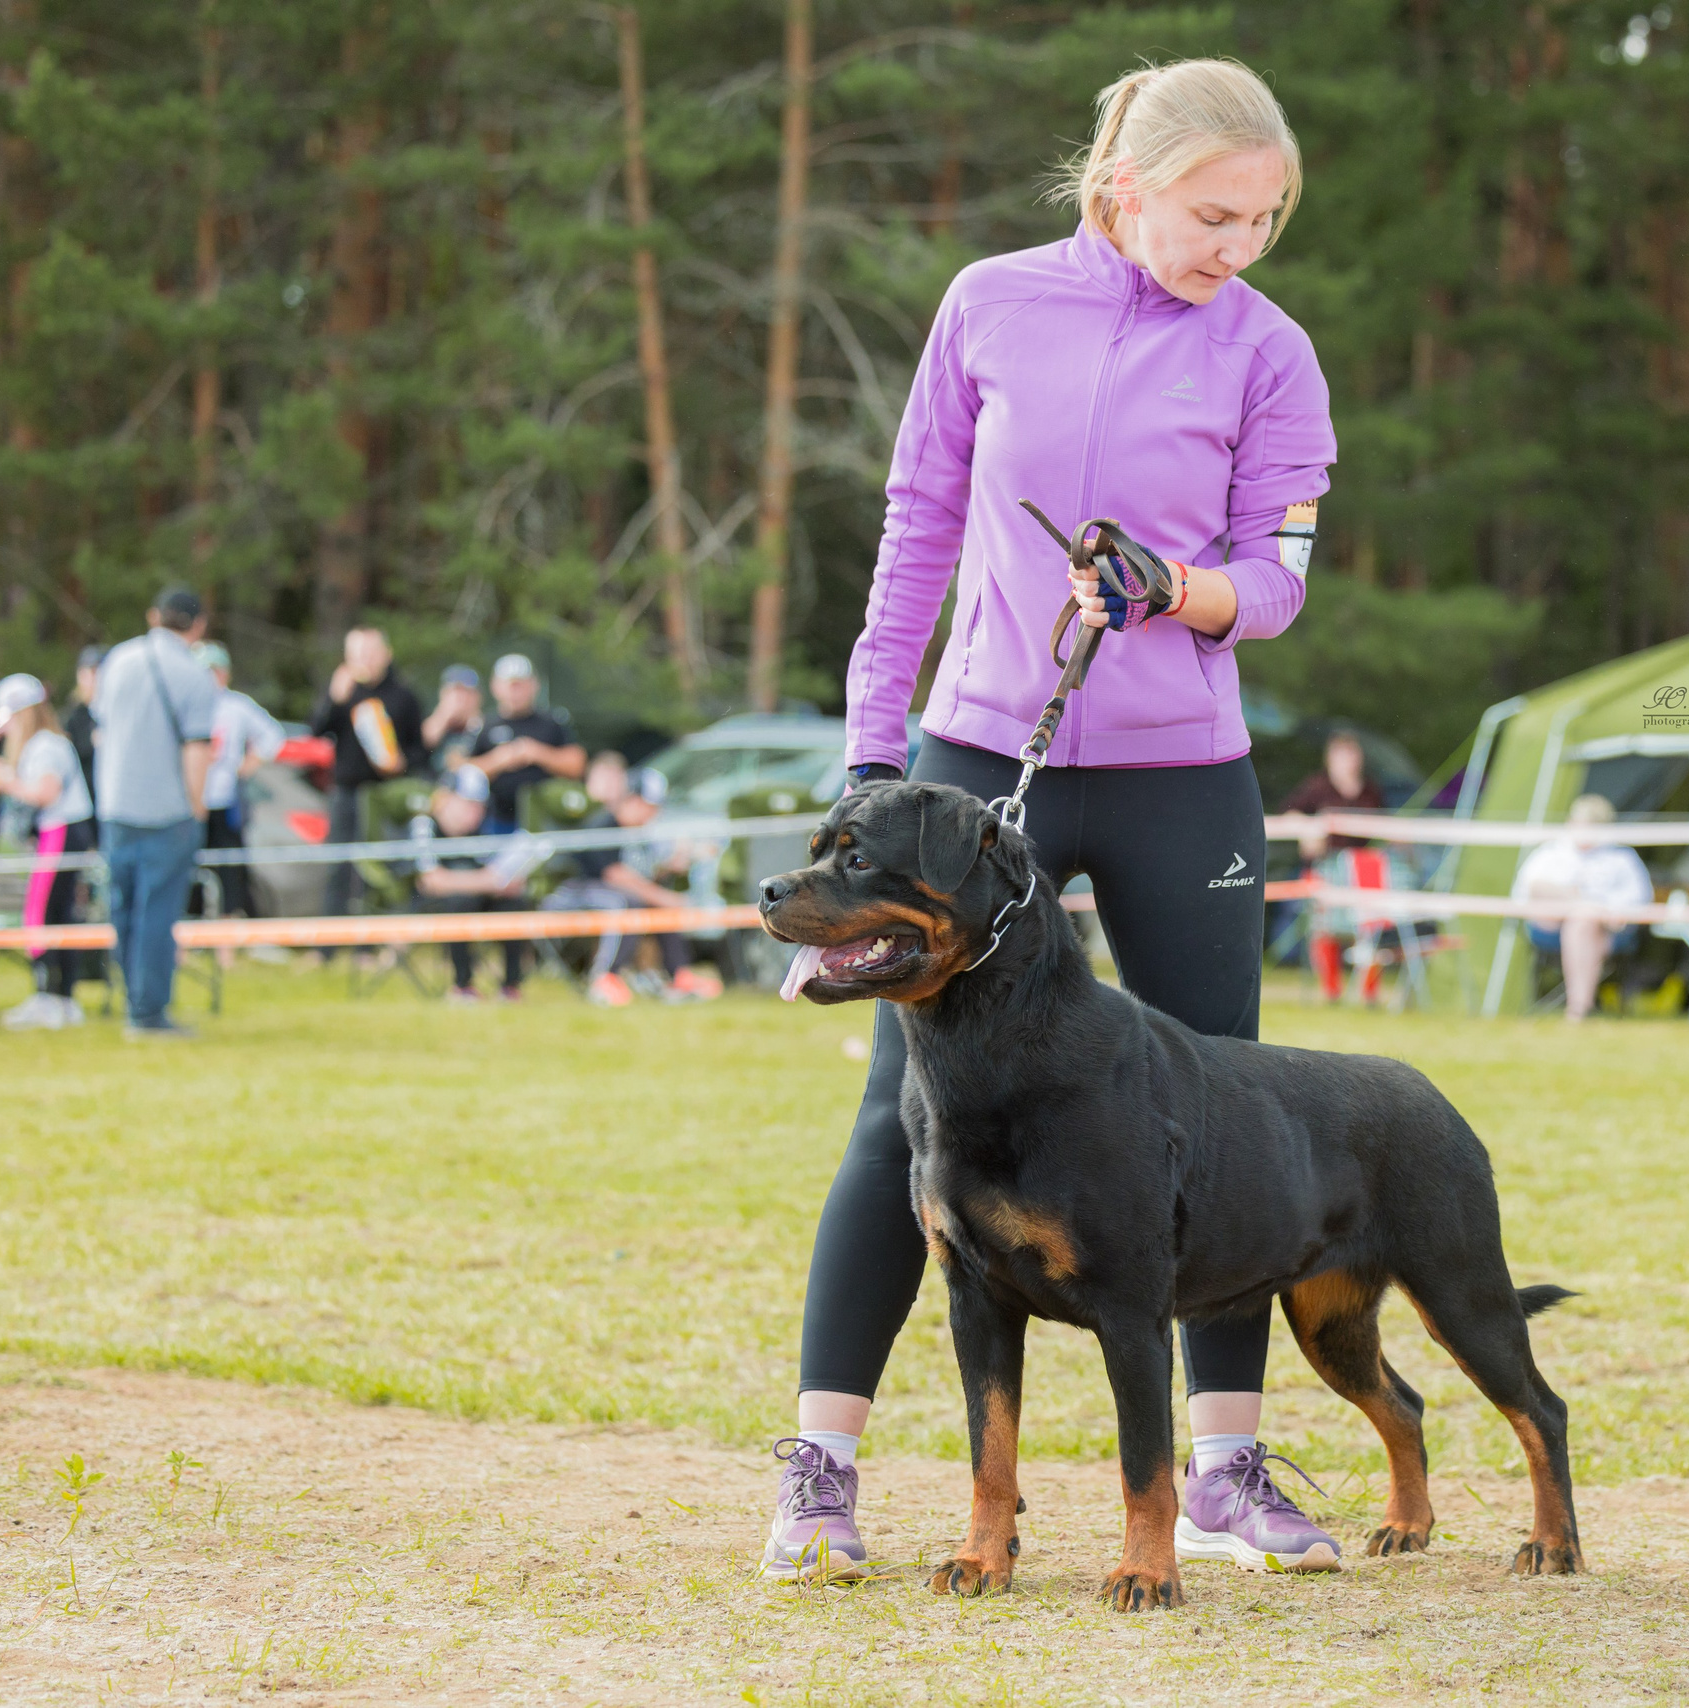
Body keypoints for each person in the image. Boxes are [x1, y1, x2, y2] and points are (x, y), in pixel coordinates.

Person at [767, 59, 1341, 1583]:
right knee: (897, 1115)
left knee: (1220, 1106)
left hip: (1182, 775)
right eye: (1214, 215)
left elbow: (1276, 583)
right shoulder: (991, 303)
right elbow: (917, 530)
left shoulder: (1271, 354)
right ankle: (821, 1473)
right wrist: (872, 751)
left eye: (1265, 221)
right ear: (1126, 187)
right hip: (975, 757)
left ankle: (1224, 1473)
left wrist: (1176, 589)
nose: (1238, 247)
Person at [91, 585, 219, 1039]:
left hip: (115, 805)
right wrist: (198, 807)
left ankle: (131, 998)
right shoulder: (195, 675)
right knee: (157, 912)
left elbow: (101, 728)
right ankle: (148, 1010)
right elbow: (196, 751)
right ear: (198, 626)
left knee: (123, 909)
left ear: (154, 617)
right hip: (167, 811)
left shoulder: (118, 661)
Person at [0, 674, 96, 1028]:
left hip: (60, 831)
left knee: (43, 913)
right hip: (58, 832)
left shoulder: (46, 746)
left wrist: (2, 782)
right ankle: (58, 997)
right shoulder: (44, 744)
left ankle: (51, 998)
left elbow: (45, 794)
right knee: (57, 913)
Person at [538, 765, 715, 1006]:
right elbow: (616, 876)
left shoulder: (640, 833)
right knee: (628, 902)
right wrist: (664, 897)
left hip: (608, 892)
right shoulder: (605, 826)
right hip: (574, 891)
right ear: (632, 800)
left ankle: (679, 976)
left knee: (656, 905)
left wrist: (670, 866)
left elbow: (641, 874)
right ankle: (605, 977)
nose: (655, 813)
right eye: (651, 806)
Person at [309, 626, 426, 928]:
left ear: (387, 654)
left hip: (385, 794)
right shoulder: (344, 693)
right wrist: (334, 700)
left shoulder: (403, 696)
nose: (366, 660)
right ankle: (329, 941)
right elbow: (317, 731)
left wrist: (402, 763)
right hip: (346, 791)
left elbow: (421, 751)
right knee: (338, 865)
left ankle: (370, 941)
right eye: (358, 653)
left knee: (377, 867)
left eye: (371, 652)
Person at [1512, 794, 1653, 1021]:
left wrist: (1591, 907)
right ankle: (1580, 1007)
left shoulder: (1621, 858)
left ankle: (1577, 1008)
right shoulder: (1551, 851)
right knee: (1577, 916)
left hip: (1604, 928)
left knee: (1583, 921)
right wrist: (1572, 899)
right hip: (1549, 926)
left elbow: (1639, 899)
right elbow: (1525, 890)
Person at [411, 764, 542, 1002]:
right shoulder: (425, 825)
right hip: (428, 904)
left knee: (513, 903)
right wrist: (487, 882)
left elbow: (501, 875)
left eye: (480, 806)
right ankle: (462, 986)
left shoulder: (482, 829)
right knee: (460, 902)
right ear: (446, 799)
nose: (476, 812)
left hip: (476, 898)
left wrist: (495, 882)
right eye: (468, 804)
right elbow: (432, 881)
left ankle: (511, 987)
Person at [1284, 730, 1391, 1004]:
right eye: (1341, 756)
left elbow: (1383, 824)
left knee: (1370, 928)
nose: (1347, 761)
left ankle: (1369, 992)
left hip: (1361, 868)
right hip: (1325, 866)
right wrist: (1308, 830)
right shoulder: (1317, 786)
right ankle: (1331, 990)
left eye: (1351, 755)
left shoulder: (1370, 789)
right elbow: (1290, 813)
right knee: (1324, 928)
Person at [193, 642, 286, 929]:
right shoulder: (187, 705)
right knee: (190, 872)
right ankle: (193, 933)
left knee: (230, 872)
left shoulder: (235, 706)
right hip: (192, 801)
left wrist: (249, 763)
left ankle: (227, 938)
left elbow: (273, 736)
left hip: (225, 801)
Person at [468, 654, 584, 834]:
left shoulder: (553, 722)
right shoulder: (483, 726)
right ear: (495, 687)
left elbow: (577, 765)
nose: (515, 691)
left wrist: (538, 753)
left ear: (534, 685)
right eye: (510, 685)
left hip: (547, 819)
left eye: (521, 685)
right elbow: (461, 771)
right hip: (497, 818)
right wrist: (498, 760)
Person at [423, 663, 486, 772]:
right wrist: (443, 717)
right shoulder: (433, 722)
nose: (461, 699)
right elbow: (420, 742)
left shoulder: (484, 726)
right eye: (455, 693)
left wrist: (473, 721)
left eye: (467, 693)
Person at [64, 645, 104, 811]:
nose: (94, 680)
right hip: (86, 801)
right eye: (90, 673)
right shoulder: (72, 716)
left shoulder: (115, 713)